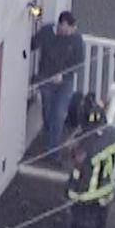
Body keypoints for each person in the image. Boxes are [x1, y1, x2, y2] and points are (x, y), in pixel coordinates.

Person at [31, 11, 85, 155]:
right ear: (61, 25)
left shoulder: (77, 39)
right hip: (46, 79)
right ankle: (49, 139)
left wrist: (65, 74)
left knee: (59, 113)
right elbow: (32, 44)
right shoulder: (47, 32)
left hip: (65, 82)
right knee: (48, 111)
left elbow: (79, 63)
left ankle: (53, 150)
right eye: (68, 28)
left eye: (72, 29)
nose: (71, 32)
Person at [65, 99, 115, 228]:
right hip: (104, 196)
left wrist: (69, 194)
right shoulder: (113, 135)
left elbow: (78, 175)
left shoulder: (83, 148)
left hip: (84, 201)